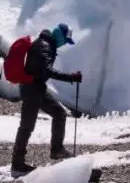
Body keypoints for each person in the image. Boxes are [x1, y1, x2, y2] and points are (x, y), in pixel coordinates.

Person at [11, 23, 83, 177]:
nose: (64, 44)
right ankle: (17, 164)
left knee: (59, 113)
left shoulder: (44, 43)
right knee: (27, 126)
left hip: (36, 88)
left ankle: (57, 150)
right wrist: (71, 77)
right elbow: (48, 70)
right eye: (65, 41)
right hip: (32, 89)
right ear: (60, 36)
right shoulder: (45, 46)